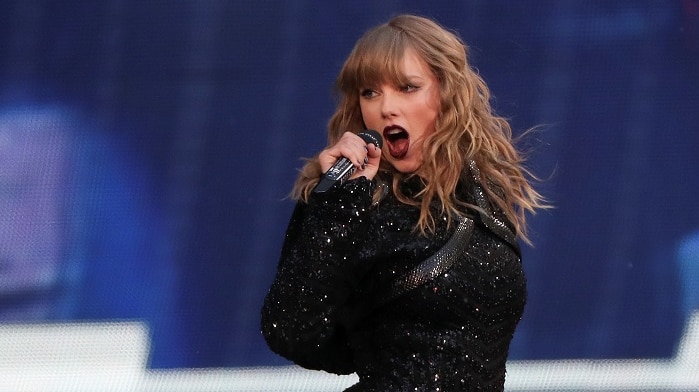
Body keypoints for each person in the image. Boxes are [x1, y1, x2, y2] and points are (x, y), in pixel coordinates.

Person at [261, 14, 547, 391]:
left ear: (446, 92)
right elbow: (290, 330)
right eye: (370, 92)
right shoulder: (351, 200)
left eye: (407, 88)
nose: (386, 108)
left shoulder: (480, 189)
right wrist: (339, 205)